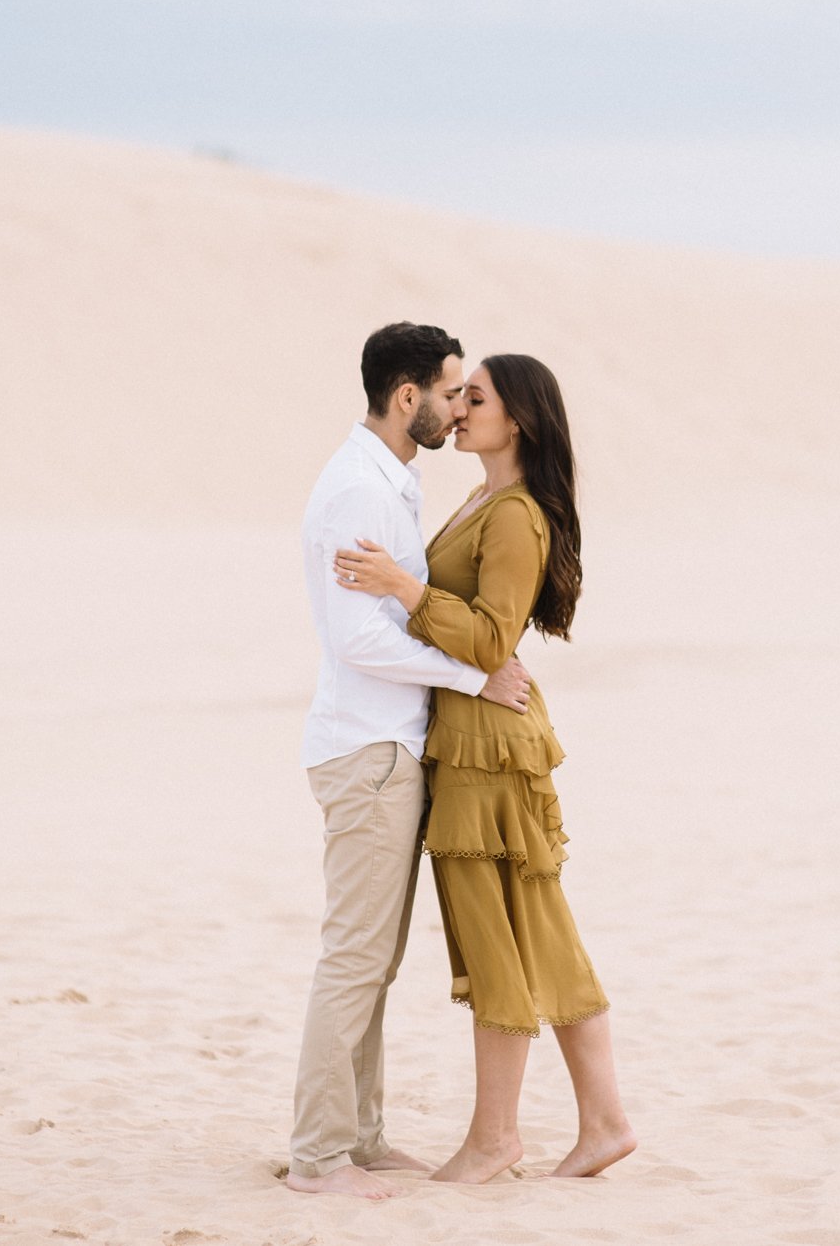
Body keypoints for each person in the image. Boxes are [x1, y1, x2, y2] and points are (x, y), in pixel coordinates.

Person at [334, 353, 636, 1183]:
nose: (459, 408)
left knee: (499, 938)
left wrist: (402, 587)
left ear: (520, 421)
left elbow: (492, 638)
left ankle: (495, 1140)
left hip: (488, 752)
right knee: (538, 932)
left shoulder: (514, 514)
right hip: (475, 738)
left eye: (478, 397)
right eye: (458, 394)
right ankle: (605, 1123)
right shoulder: (485, 499)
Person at [286, 323, 536, 1201]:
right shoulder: (359, 487)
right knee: (355, 957)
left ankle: (360, 1135)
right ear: (407, 397)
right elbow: (360, 639)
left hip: (388, 747)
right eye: (449, 391)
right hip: (367, 750)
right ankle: (317, 1158)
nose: (457, 406)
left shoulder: (390, 481)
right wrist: (473, 674)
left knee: (376, 960)